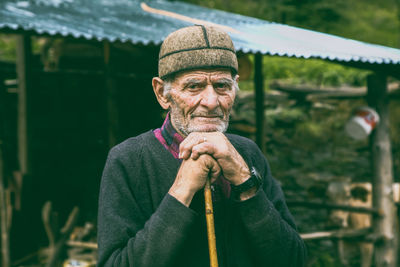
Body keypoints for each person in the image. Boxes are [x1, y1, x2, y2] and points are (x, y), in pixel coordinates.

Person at [97, 25, 306, 267]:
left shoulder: (248, 154)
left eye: (222, 86)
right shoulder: (129, 160)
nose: (210, 101)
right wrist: (181, 191)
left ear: (235, 88)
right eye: (194, 86)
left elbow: (293, 260)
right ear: (162, 93)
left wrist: (243, 179)